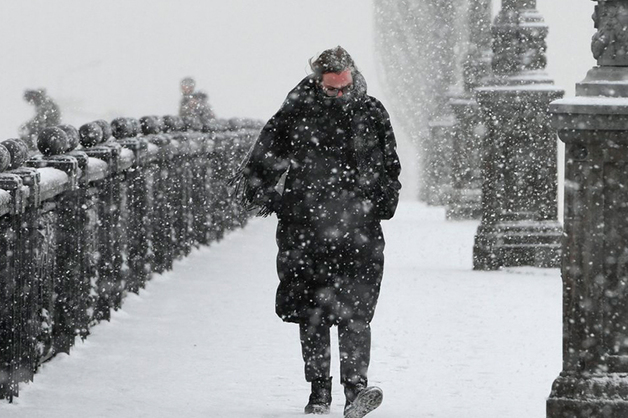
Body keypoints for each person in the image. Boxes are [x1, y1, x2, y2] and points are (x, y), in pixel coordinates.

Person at [233, 46, 401, 417]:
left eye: (345, 87)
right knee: (313, 312)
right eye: (331, 89)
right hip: (306, 230)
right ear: (317, 82)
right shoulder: (296, 112)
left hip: (359, 229)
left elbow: (391, 167)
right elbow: (261, 161)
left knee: (356, 309)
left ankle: (356, 390)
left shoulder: (372, 112)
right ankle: (319, 392)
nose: (340, 95)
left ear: (353, 77)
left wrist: (381, 202)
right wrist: (280, 203)